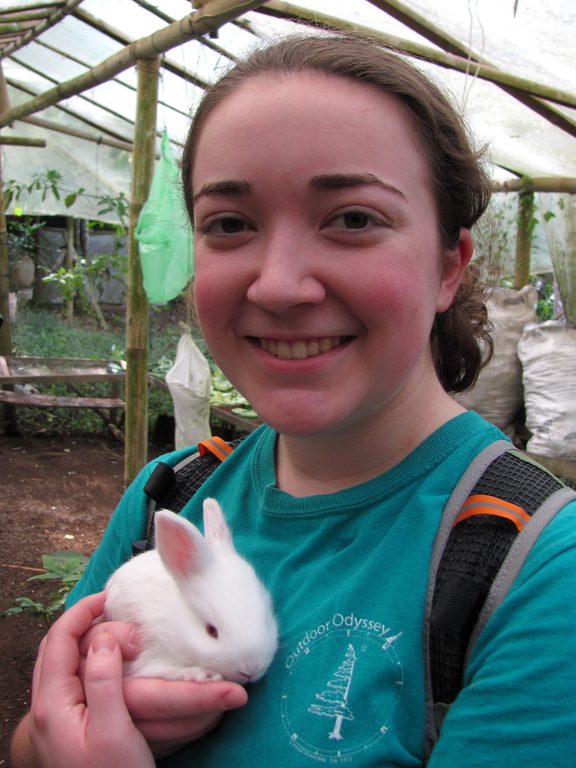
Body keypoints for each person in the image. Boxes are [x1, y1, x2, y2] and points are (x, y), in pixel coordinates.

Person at [11, 33, 576, 768]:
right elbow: (36, 737)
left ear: (448, 265)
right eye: (230, 224)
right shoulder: (168, 497)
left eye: (353, 219)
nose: (278, 285)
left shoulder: (537, 574)